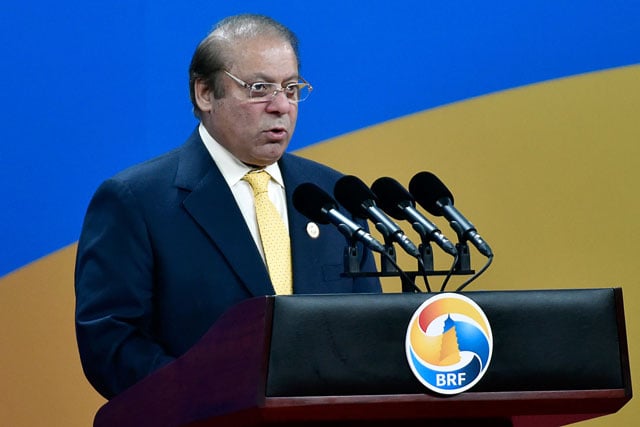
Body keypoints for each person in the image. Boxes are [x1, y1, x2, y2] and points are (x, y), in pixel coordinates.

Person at [74, 14, 381, 400]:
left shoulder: (334, 195)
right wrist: (207, 397)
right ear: (205, 93)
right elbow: (111, 343)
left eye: (291, 88)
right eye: (259, 88)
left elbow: (370, 327)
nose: (281, 106)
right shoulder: (136, 201)